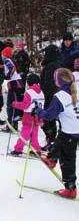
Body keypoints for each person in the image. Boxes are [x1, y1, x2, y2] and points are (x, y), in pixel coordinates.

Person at [36, 68, 78, 199]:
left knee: (67, 159)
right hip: (73, 129)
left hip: (71, 131)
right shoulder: (75, 90)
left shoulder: (60, 96)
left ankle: (70, 188)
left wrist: (39, 111)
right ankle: (52, 158)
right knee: (61, 140)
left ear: (58, 81)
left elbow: (49, 116)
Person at [10, 73, 44, 156]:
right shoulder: (41, 92)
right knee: (34, 135)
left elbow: (25, 105)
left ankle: (18, 149)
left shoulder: (29, 92)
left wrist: (15, 104)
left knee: (24, 135)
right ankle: (36, 149)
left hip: (29, 116)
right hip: (38, 116)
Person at [40, 45, 61, 151]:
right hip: (53, 95)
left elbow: (49, 83)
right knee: (49, 119)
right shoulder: (55, 63)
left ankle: (51, 140)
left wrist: (44, 95)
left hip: (50, 95)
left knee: (48, 119)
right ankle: (51, 140)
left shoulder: (51, 65)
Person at [1, 46, 24, 132]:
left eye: (2, 54)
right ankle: (14, 123)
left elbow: (12, 68)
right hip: (17, 83)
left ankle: (11, 125)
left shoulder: (7, 60)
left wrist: (7, 76)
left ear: (5, 54)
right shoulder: (11, 60)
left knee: (11, 105)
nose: (2, 56)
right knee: (14, 104)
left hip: (14, 84)